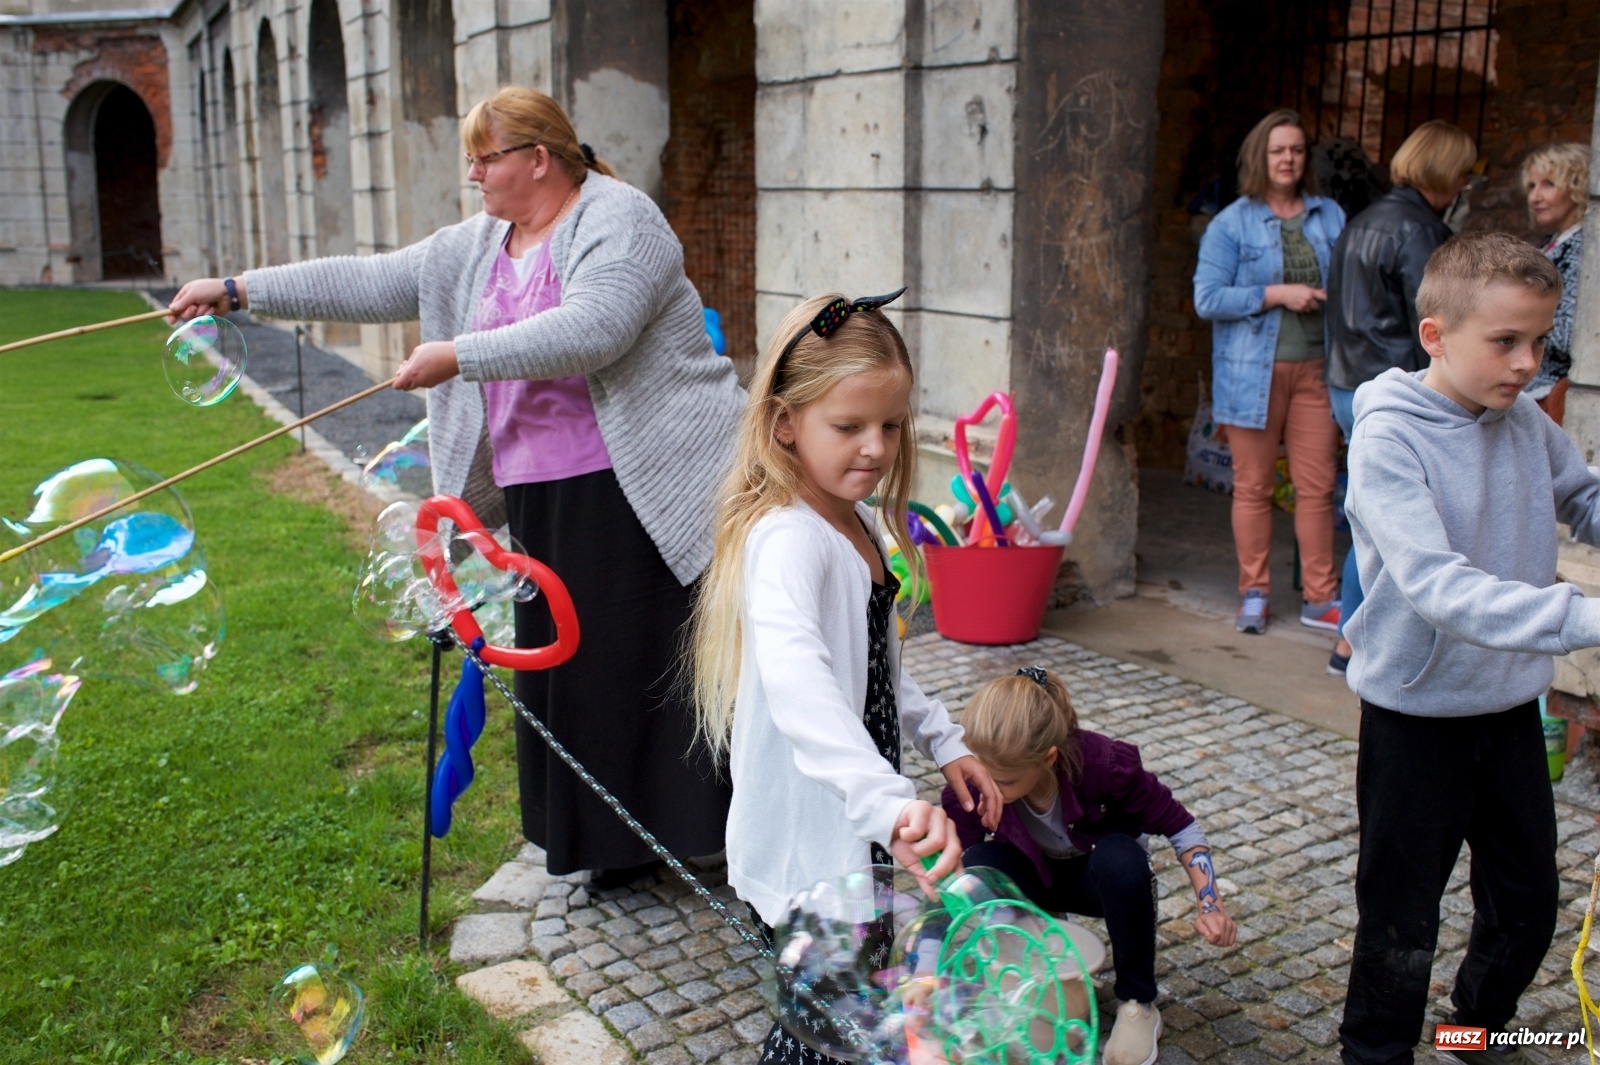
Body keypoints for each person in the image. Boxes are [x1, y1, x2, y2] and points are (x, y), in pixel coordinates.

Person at [168, 87, 746, 889]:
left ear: (537, 159)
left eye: (486, 157)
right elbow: (370, 281)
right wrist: (234, 290)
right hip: (542, 489)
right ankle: (609, 845)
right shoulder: (479, 243)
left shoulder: (621, 219)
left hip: (641, 483)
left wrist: (456, 353)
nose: (473, 173)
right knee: (570, 673)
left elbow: (595, 328)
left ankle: (691, 832)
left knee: (640, 661)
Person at [687, 290, 1003, 1065]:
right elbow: (806, 693)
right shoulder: (790, 539)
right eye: (849, 425)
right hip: (815, 851)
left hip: (857, 833)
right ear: (785, 422)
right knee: (824, 1042)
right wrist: (890, 804)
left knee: (835, 1032)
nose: (876, 447)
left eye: (891, 425)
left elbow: (875, 670)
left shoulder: (847, 520)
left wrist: (945, 739)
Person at [1338, 232, 1600, 1065]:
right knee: (1400, 919)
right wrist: (1588, 616)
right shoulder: (1389, 438)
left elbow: (1584, 494)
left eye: (1539, 341)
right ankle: (1374, 1055)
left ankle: (1470, 1033)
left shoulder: (1521, 419)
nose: (1528, 364)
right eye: (1506, 341)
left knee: (1527, 904)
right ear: (1436, 335)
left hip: (1508, 710)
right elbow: (1438, 587)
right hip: (1414, 717)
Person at [941, 667, 1236, 1065]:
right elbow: (956, 868)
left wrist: (1211, 904)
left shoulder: (1104, 766)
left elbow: (1182, 827)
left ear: (1048, 758)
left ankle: (1138, 1003)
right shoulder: (977, 781)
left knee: (1121, 857)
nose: (991, 790)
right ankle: (1028, 980)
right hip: (1037, 877)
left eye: (1005, 782)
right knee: (981, 864)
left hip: (1099, 882)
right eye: (984, 777)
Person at [1324, 120, 1477, 675]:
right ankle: (1359, 643)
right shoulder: (1419, 232)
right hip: (1394, 389)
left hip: (1347, 383)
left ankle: (1351, 640)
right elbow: (1439, 326)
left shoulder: (1359, 221)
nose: (1467, 182)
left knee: (1370, 513)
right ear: (1447, 172)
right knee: (1393, 523)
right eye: (1464, 171)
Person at [1195, 109, 1346, 637]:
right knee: (1253, 487)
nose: (1288, 159)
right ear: (1261, 157)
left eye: (1297, 150)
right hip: (1248, 375)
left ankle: (1320, 597)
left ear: (1306, 158)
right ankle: (1254, 592)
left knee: (1317, 487)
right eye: (1278, 150)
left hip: (1317, 371)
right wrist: (1277, 294)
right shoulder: (1231, 222)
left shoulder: (1330, 216)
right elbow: (1206, 298)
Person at [1522, 141, 1588, 425]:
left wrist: (1515, 321)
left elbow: (1572, 333)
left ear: (1578, 186)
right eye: (1531, 186)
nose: (1535, 196)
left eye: (1548, 184)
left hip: (1554, 389)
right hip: (1532, 382)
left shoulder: (1584, 246)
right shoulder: (1552, 242)